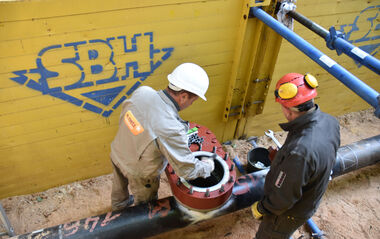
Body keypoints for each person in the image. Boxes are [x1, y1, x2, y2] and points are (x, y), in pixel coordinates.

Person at [110, 63, 215, 211]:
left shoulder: (143, 91)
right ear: (184, 96)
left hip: (118, 151)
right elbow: (187, 170)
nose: (191, 104)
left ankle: (118, 209)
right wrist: (207, 167)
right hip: (139, 173)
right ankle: (135, 227)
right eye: (193, 100)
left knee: (119, 189)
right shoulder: (170, 127)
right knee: (145, 208)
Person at [251, 73, 341, 238]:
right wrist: (284, 160)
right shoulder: (330, 121)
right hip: (311, 199)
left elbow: (283, 199)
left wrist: (262, 208)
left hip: (288, 214)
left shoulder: (299, 152)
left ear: (287, 109)